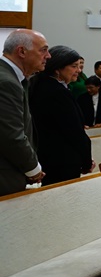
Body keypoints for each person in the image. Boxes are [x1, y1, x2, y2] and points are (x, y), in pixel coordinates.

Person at [27, 45, 94, 185]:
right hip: (61, 161)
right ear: (57, 69)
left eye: (79, 66)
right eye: (74, 66)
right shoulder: (57, 92)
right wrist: (87, 161)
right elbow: (74, 131)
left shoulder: (44, 86)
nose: (79, 70)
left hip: (50, 157)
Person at [0, 29, 49, 195]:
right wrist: (33, 169)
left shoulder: (11, 77)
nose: (48, 56)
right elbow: (11, 135)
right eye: (43, 50)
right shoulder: (6, 82)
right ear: (21, 51)